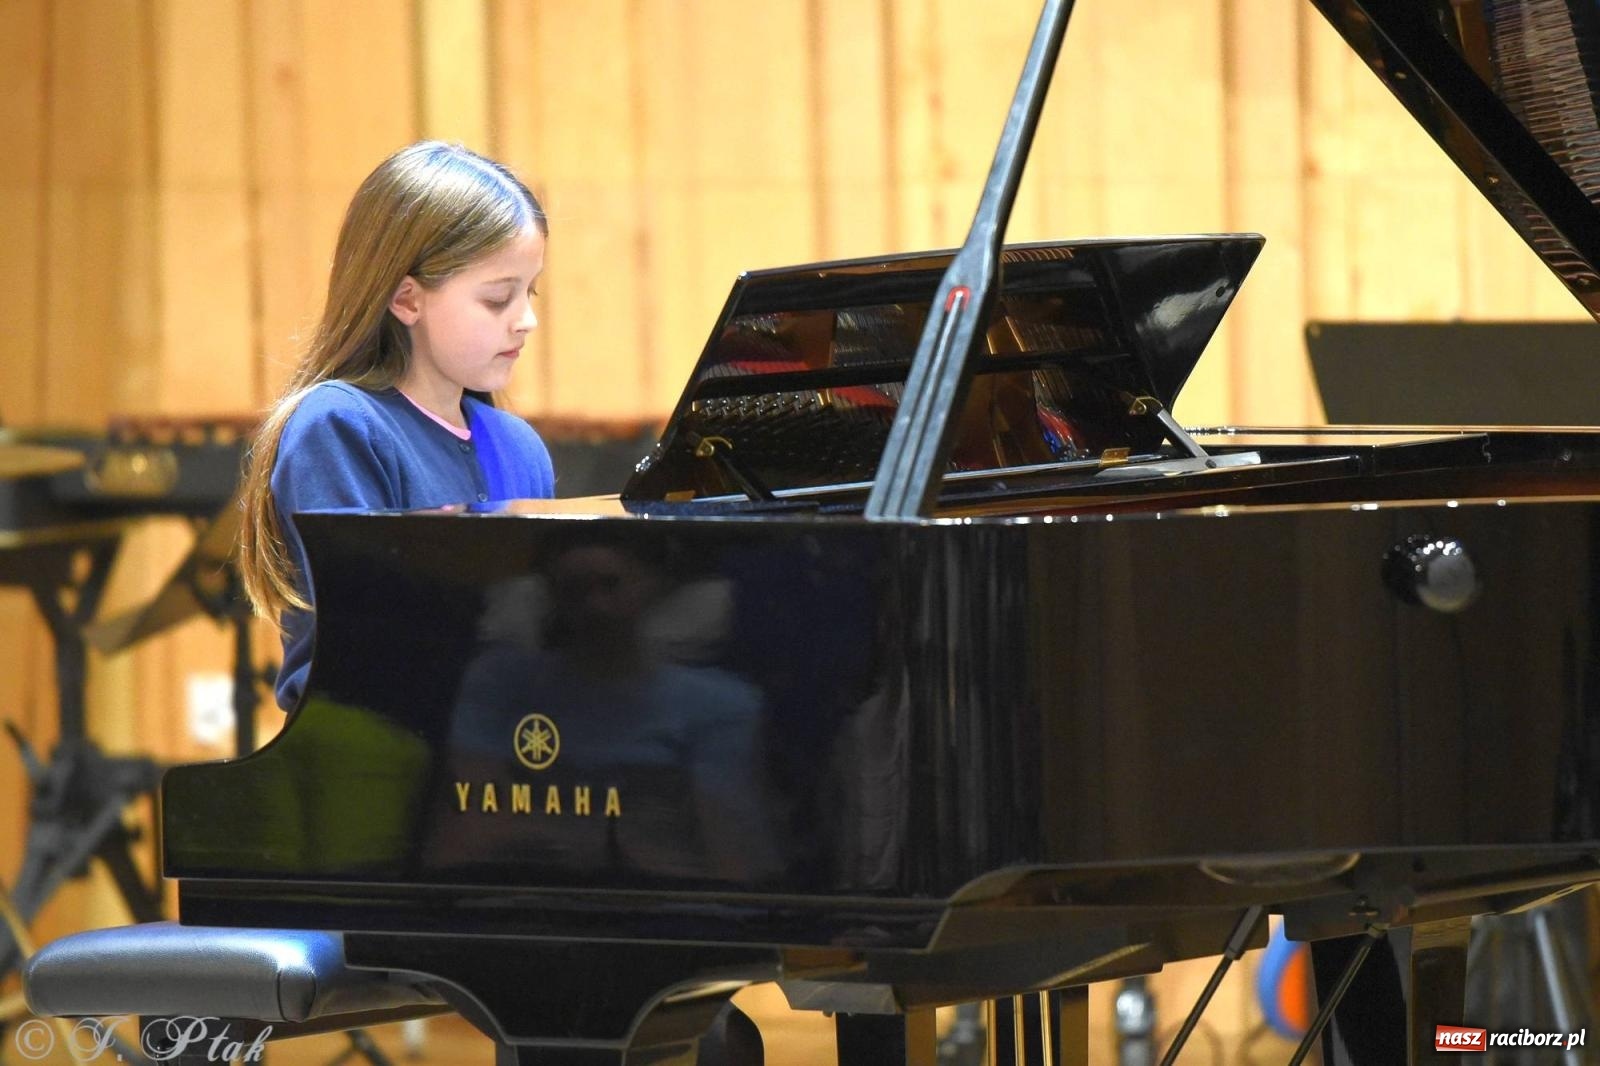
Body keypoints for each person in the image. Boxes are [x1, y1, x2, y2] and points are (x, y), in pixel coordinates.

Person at [237, 141, 556, 712]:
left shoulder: (519, 447)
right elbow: (373, 643)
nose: (526, 320)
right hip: (369, 757)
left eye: (528, 292)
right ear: (407, 299)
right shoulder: (338, 427)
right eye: (497, 298)